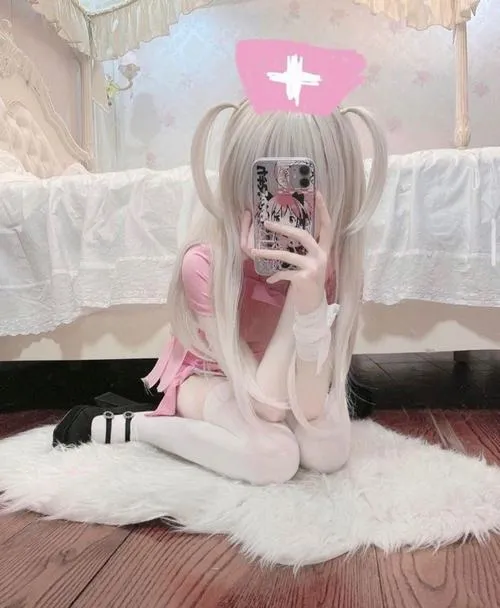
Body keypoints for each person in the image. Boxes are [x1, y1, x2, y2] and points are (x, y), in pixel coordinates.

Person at [53, 99, 387, 485]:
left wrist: (306, 297)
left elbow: (309, 406)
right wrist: (298, 302)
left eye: (302, 186)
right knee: (275, 458)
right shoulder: (205, 264)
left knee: (327, 454)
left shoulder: (333, 264)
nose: (284, 205)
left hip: (282, 377)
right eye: (268, 183)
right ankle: (143, 427)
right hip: (211, 376)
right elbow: (267, 407)